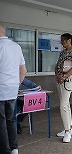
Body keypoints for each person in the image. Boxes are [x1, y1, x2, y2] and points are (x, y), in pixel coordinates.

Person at [0, 23, 26, 154]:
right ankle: (14, 148)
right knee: (11, 119)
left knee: (1, 121)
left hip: (1, 89)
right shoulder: (16, 47)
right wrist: (17, 84)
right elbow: (23, 70)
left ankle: (5, 150)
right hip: (12, 90)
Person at [55, 33, 72, 143]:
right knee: (66, 104)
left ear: (69, 40)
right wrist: (57, 75)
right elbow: (57, 65)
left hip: (68, 81)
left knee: (63, 105)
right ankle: (69, 128)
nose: (62, 43)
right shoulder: (63, 52)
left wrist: (64, 76)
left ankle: (67, 131)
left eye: (64, 41)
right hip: (60, 80)